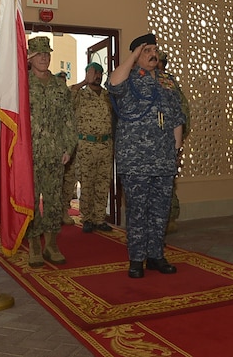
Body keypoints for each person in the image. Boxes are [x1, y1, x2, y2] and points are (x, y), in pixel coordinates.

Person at [107, 33, 185, 278]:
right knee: (138, 211)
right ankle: (136, 259)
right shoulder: (128, 79)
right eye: (146, 50)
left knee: (160, 210)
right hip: (136, 158)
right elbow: (113, 84)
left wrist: (176, 145)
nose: (153, 54)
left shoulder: (167, 80)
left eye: (154, 49)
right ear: (136, 55)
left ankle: (155, 256)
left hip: (163, 157)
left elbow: (176, 114)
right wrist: (133, 53)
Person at [26, 36, 77, 267]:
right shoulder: (22, 83)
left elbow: (68, 119)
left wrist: (69, 147)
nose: (44, 58)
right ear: (30, 57)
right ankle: (35, 243)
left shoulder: (60, 85)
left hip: (56, 153)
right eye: (38, 54)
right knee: (32, 201)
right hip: (30, 154)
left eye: (47, 54)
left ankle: (52, 243)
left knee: (54, 201)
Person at [69, 62, 114, 233]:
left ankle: (99, 218)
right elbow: (66, 95)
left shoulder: (108, 96)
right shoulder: (80, 94)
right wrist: (83, 82)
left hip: (105, 145)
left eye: (99, 73)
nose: (97, 75)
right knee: (87, 183)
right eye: (93, 72)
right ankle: (87, 218)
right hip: (86, 145)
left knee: (103, 183)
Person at [157, 51, 191, 234]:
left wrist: (178, 143)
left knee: (167, 184)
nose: (159, 65)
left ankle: (168, 218)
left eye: (161, 62)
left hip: (169, 142)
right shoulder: (145, 79)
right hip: (151, 144)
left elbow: (182, 112)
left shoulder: (169, 83)